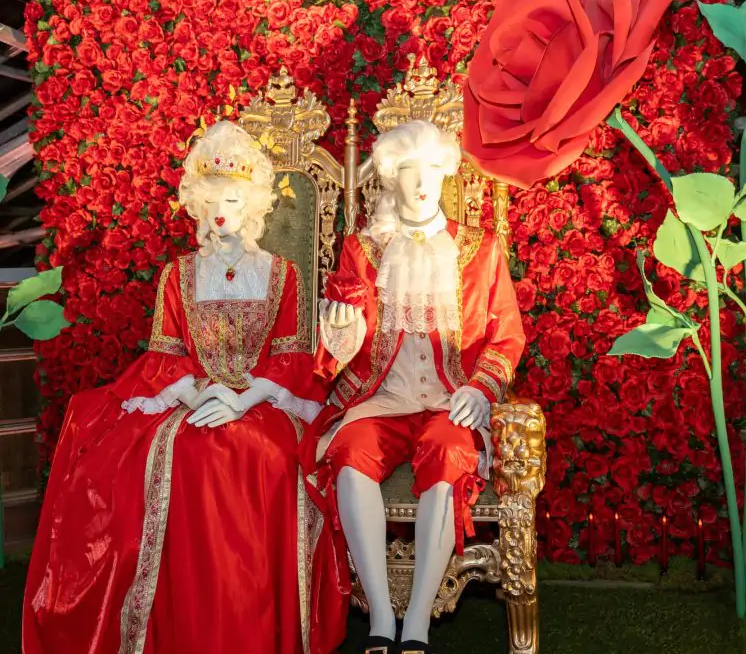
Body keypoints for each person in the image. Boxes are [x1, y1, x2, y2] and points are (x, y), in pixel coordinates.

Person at [23, 120, 346, 654]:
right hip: (194, 397)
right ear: (197, 203)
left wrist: (239, 399)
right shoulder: (178, 275)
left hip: (260, 400)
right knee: (186, 449)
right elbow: (165, 356)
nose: (222, 210)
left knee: (256, 452)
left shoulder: (282, 274)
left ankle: (248, 628)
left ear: (253, 206)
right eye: (213, 198)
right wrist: (199, 396)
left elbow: (291, 359)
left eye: (235, 200)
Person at [302, 120, 526, 654]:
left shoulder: (481, 248)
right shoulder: (364, 249)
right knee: (351, 452)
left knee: (450, 454)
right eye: (408, 171)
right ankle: (381, 614)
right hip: (381, 397)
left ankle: (419, 621)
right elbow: (344, 332)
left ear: (445, 174)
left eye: (430, 169)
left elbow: (507, 334)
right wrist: (339, 330)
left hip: (451, 400)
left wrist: (481, 388)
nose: (421, 182)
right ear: (389, 179)